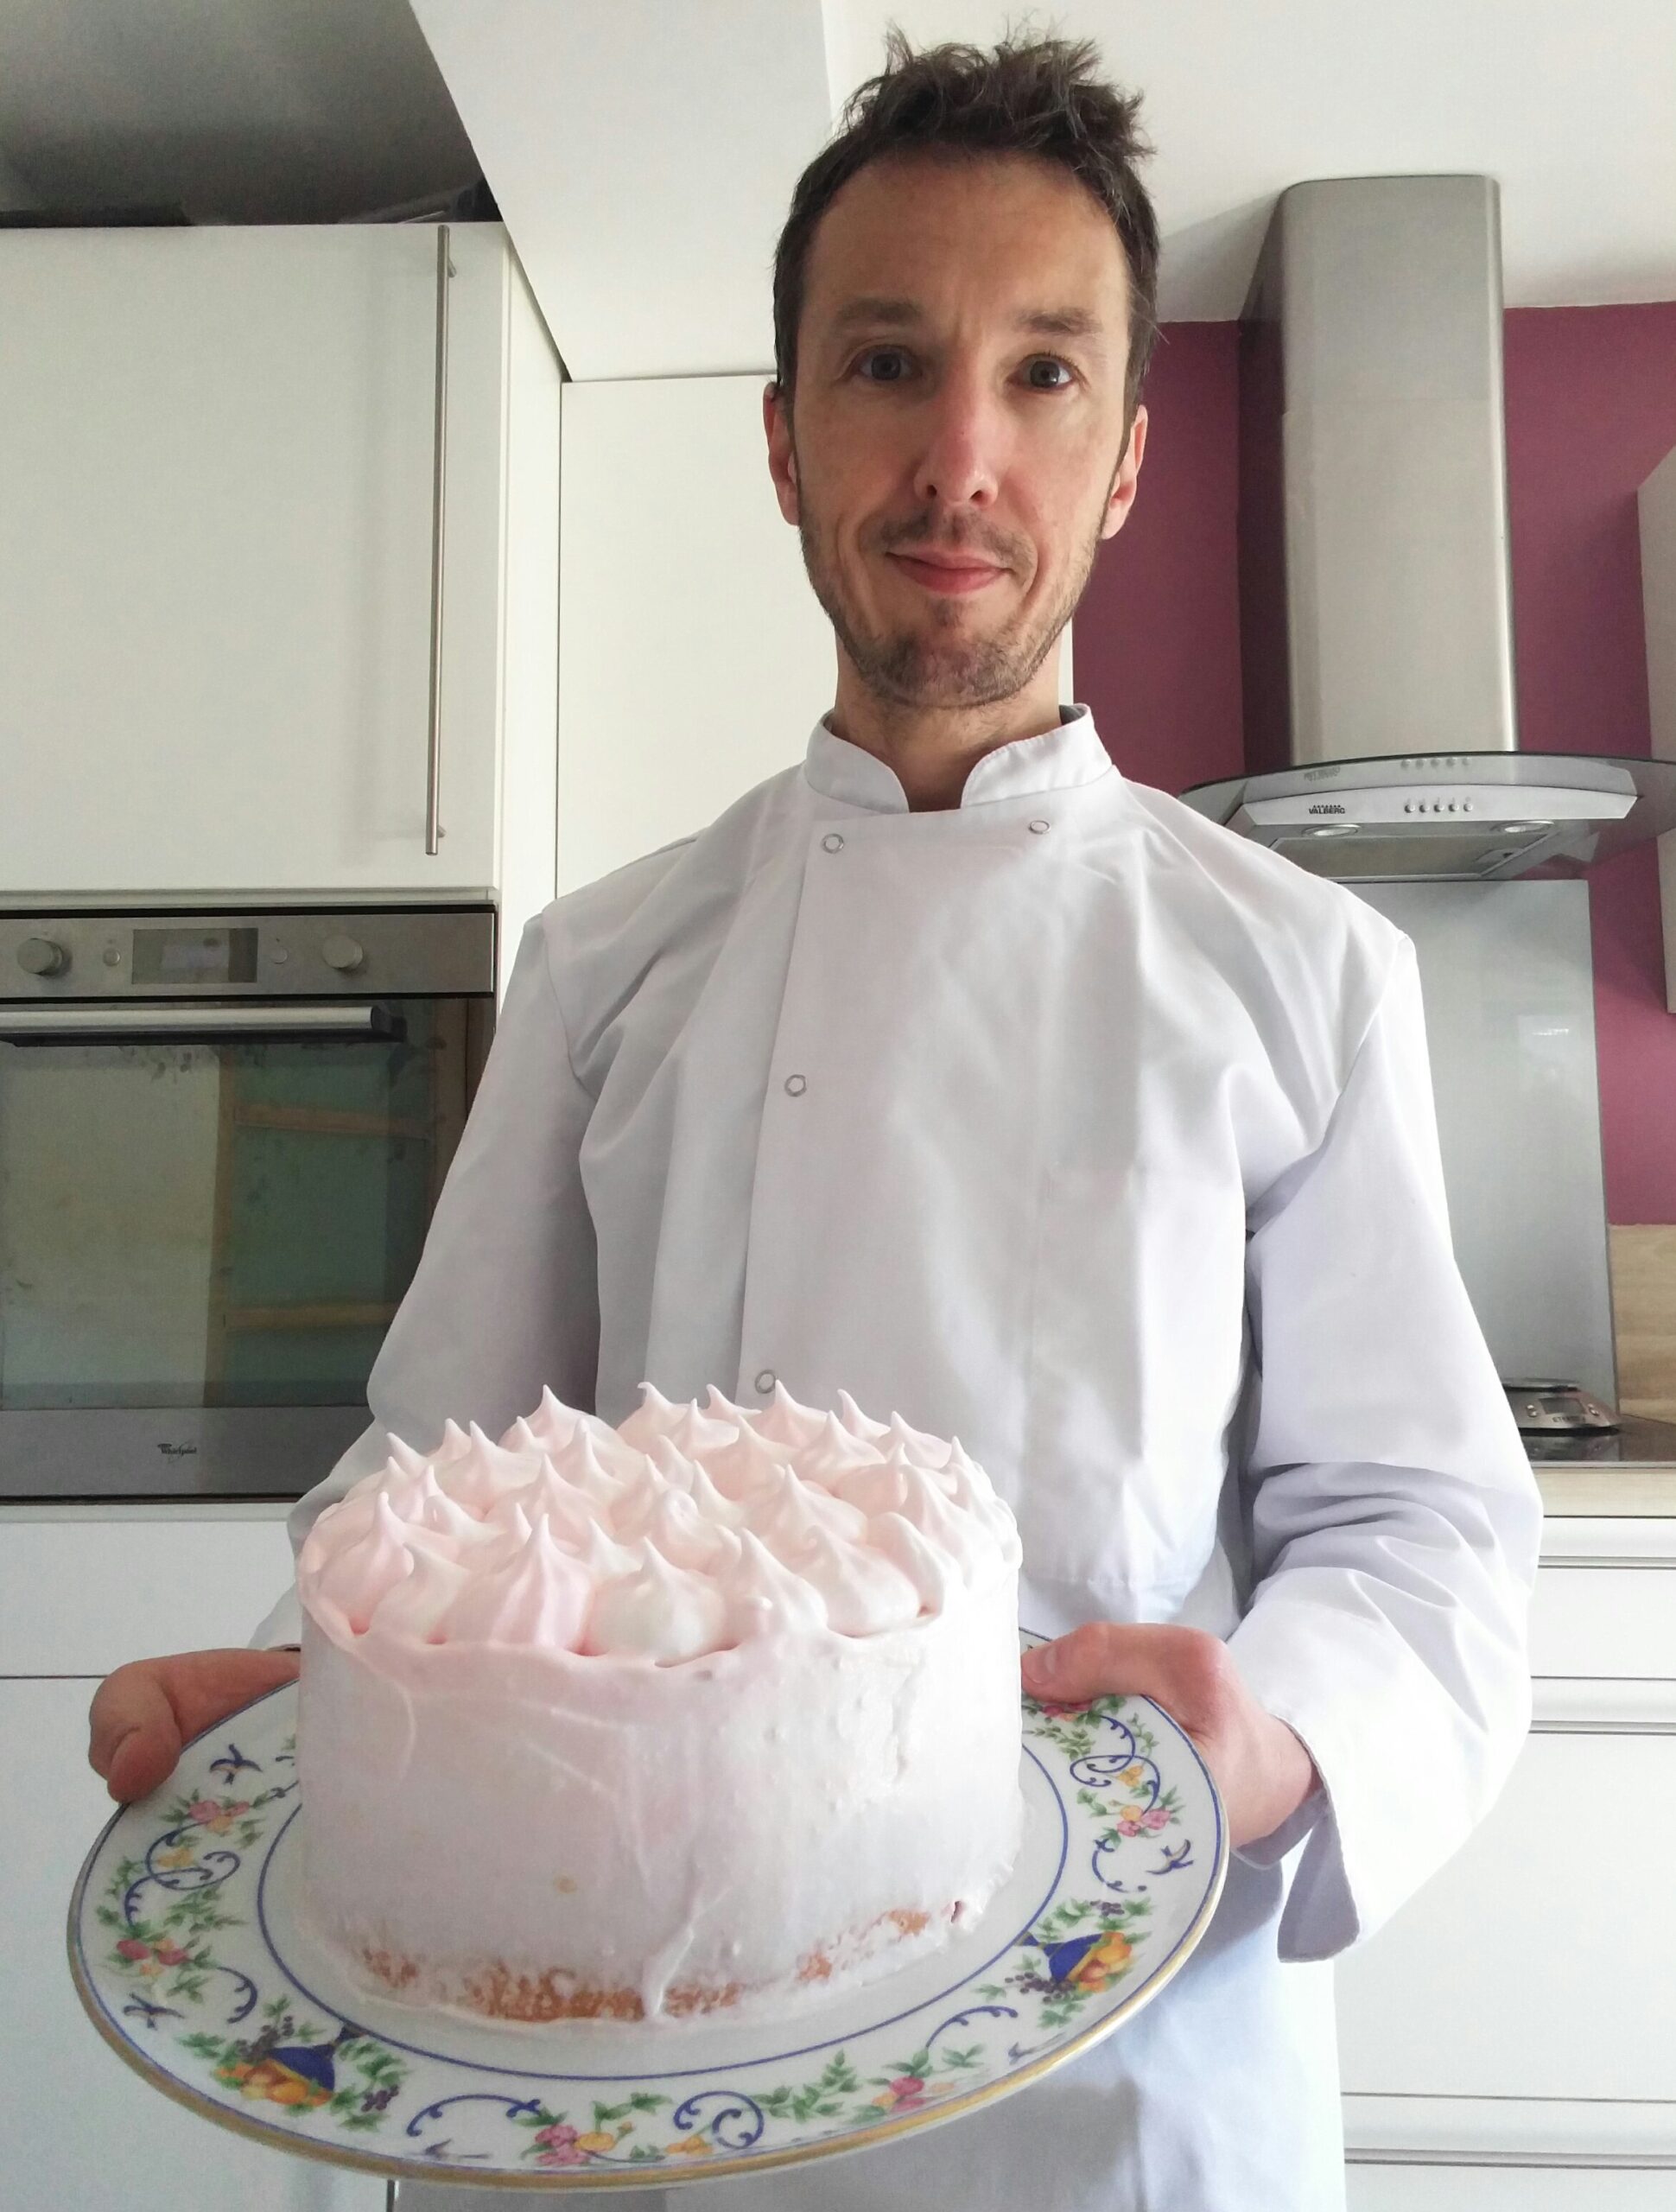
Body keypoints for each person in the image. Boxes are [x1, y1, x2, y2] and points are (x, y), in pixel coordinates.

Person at [87, 31, 1542, 2211]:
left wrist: (1276, 1734)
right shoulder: (609, 965)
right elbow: (453, 1478)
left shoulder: (1297, 971)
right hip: (638, 2081)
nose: (958, 454)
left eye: (1042, 373)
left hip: (1132, 2080)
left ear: (1127, 459)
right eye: (884, 362)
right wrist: (328, 1719)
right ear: (781, 441)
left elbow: (1421, 1531)